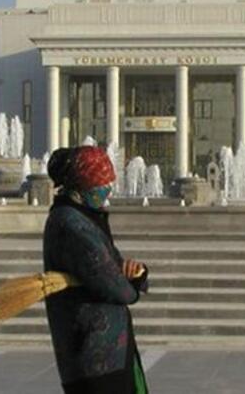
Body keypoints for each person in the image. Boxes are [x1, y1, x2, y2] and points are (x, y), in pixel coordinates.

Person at [43, 146, 150, 393]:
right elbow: (110, 282)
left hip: (104, 348)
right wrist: (133, 286)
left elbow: (114, 263)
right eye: (100, 183)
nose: (106, 188)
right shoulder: (72, 223)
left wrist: (137, 272)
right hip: (94, 351)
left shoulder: (85, 217)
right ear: (81, 185)